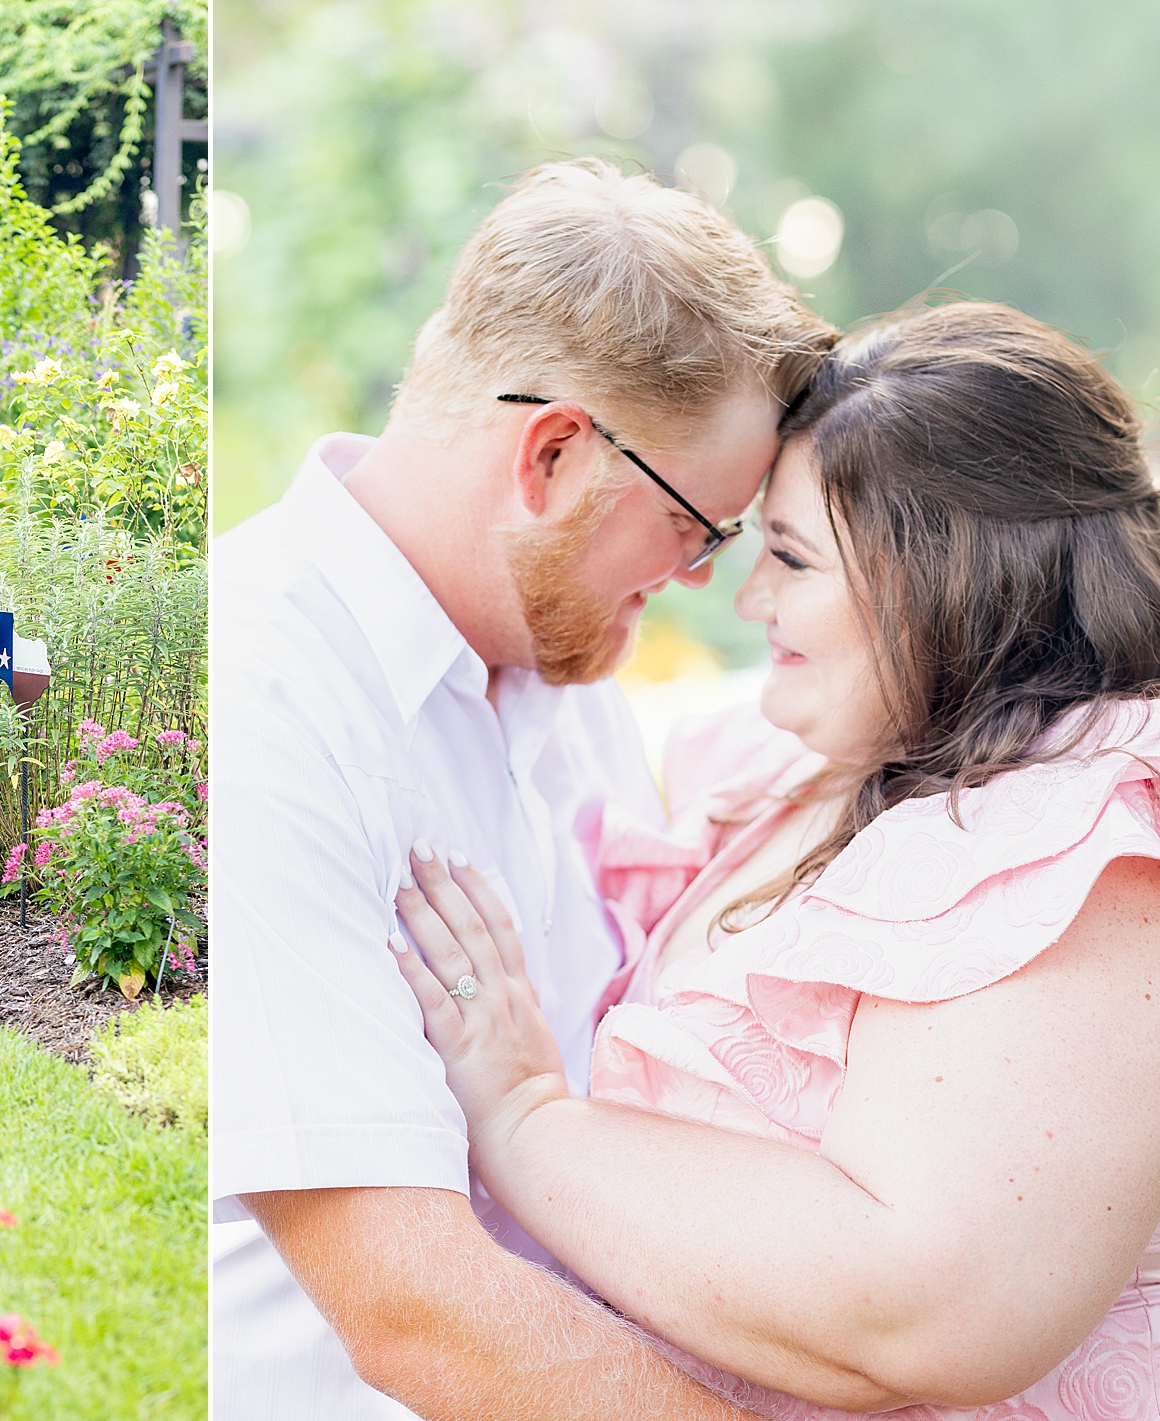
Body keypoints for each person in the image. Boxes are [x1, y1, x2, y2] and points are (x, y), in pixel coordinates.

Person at [392, 301, 1160, 1419]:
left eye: (790, 559)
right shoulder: (811, 770)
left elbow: (925, 1311)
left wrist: (525, 1119)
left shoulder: (1083, 849)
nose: (749, 600)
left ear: (945, 579)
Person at [210, 157, 835, 1418]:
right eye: (697, 530)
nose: (708, 579)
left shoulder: (562, 669)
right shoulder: (260, 694)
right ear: (551, 454)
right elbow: (411, 1306)